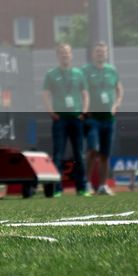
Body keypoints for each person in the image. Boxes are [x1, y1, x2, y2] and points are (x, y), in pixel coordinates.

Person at [43, 43, 89, 195]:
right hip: (60, 118)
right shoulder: (51, 74)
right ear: (58, 56)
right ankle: (57, 189)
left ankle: (82, 188)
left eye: (67, 52)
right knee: (58, 154)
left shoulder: (79, 73)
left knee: (79, 154)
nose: (65, 55)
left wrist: (84, 111)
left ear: (71, 55)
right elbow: (45, 94)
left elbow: (85, 93)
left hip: (76, 118)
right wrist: (51, 111)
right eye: (62, 53)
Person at [81, 41, 123, 194]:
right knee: (93, 150)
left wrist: (116, 105)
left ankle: (102, 185)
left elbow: (119, 89)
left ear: (107, 54)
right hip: (92, 118)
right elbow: (80, 90)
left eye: (103, 52)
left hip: (108, 119)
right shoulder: (85, 70)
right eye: (98, 51)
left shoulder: (112, 70)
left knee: (105, 154)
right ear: (93, 54)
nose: (100, 54)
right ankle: (86, 183)